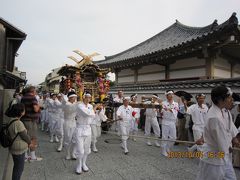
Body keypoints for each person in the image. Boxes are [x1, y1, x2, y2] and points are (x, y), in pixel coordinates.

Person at [196, 86, 240, 180]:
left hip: (224, 156)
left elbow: (230, 125)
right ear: (220, 100)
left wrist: (234, 138)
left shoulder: (224, 110)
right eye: (229, 97)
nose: (231, 100)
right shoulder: (214, 117)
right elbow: (223, 144)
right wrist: (230, 148)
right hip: (214, 158)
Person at [8, 103, 34, 180]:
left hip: (13, 146)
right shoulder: (18, 123)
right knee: (19, 168)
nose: (24, 111)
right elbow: (25, 136)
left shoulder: (12, 119)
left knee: (17, 166)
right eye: (24, 110)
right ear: (21, 112)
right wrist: (30, 142)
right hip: (18, 148)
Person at [73, 92, 96, 175]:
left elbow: (92, 116)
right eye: (86, 97)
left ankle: (84, 163)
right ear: (83, 97)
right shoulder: (79, 105)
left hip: (88, 129)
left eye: (89, 98)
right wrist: (93, 111)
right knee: (80, 150)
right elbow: (87, 114)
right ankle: (79, 165)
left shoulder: (90, 106)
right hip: (80, 128)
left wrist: (92, 112)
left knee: (86, 149)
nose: (88, 99)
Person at [20, 86, 42, 161]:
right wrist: (39, 106)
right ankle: (32, 156)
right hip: (30, 121)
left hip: (24, 120)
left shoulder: (23, 97)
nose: (36, 92)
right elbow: (36, 109)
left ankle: (25, 155)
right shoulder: (32, 97)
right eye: (35, 91)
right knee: (33, 138)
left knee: (26, 137)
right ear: (33, 91)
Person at [161, 90, 179, 156]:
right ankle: (163, 150)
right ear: (166, 96)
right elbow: (162, 110)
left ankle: (168, 147)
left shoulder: (176, 103)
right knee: (164, 137)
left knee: (173, 137)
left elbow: (176, 111)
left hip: (172, 122)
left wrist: (169, 109)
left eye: (172, 94)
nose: (171, 96)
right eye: (169, 94)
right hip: (165, 121)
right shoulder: (163, 103)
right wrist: (168, 109)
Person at [62, 91, 78, 159]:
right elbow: (72, 109)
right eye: (74, 97)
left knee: (75, 138)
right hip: (67, 122)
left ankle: (73, 153)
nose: (75, 99)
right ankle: (68, 153)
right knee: (67, 139)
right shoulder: (66, 104)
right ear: (70, 98)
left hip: (74, 122)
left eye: (75, 97)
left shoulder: (75, 103)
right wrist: (80, 103)